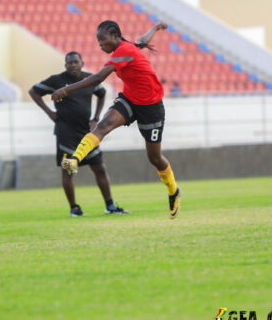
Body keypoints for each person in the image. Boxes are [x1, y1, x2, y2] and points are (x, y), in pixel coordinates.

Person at [51, 21, 182, 219]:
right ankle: (74, 160)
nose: (100, 45)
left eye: (102, 40)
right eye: (98, 41)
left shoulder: (123, 51)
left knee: (154, 158)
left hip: (151, 107)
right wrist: (155, 28)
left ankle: (173, 191)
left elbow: (97, 79)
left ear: (114, 36)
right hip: (130, 99)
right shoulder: (127, 47)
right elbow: (141, 41)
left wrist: (66, 89)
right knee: (103, 126)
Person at [29, 51, 129, 217]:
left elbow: (102, 94)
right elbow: (34, 92)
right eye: (70, 63)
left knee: (100, 168)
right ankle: (74, 208)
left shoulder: (89, 79)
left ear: (82, 63)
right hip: (65, 134)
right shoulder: (56, 80)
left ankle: (110, 205)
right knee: (68, 171)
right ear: (65, 65)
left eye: (76, 62)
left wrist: (96, 118)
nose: (73, 65)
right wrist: (49, 113)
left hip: (86, 133)